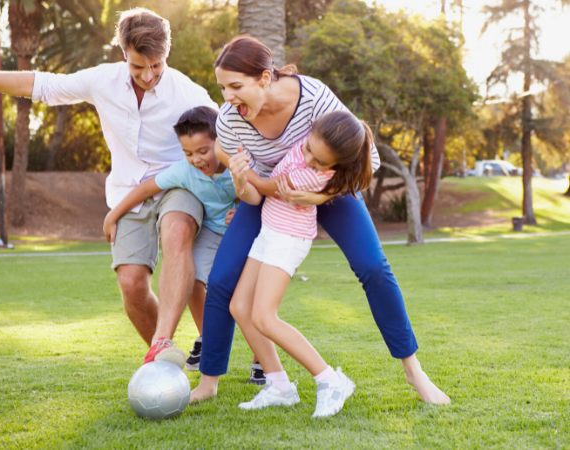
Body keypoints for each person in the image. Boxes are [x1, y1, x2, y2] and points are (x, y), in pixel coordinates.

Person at [190, 35, 450, 405]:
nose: (227, 98)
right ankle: (212, 381)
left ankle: (413, 371)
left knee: (373, 267)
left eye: (236, 86)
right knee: (221, 280)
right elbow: (247, 184)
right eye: (222, 87)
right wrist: (239, 178)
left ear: (265, 78)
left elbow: (368, 161)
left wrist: (319, 196)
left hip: (332, 190)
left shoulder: (312, 97)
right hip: (270, 193)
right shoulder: (232, 120)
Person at [0, 8, 218, 367]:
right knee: (132, 283)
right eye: (138, 67)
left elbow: (226, 135)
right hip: (127, 192)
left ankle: (165, 341)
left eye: (157, 66)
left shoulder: (188, 93)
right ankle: (166, 357)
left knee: (177, 231)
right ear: (123, 54)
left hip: (177, 185)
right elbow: (38, 85)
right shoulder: (103, 80)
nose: (148, 76)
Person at [229, 110, 373, 417]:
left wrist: (239, 167)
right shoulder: (307, 143)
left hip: (288, 238)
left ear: (335, 166)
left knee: (264, 317)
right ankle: (279, 386)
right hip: (269, 232)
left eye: (321, 162)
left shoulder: (314, 175)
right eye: (308, 149)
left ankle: (330, 380)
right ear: (309, 133)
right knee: (239, 307)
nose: (309, 160)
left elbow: (269, 187)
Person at [102, 106, 260, 375]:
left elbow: (262, 195)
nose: (196, 159)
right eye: (188, 153)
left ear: (220, 142)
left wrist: (243, 211)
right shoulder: (185, 172)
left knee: (248, 295)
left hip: (244, 232)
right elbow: (146, 188)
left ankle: (261, 359)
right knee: (193, 279)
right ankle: (208, 339)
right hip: (211, 232)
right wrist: (113, 215)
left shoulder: (241, 162)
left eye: (202, 151)